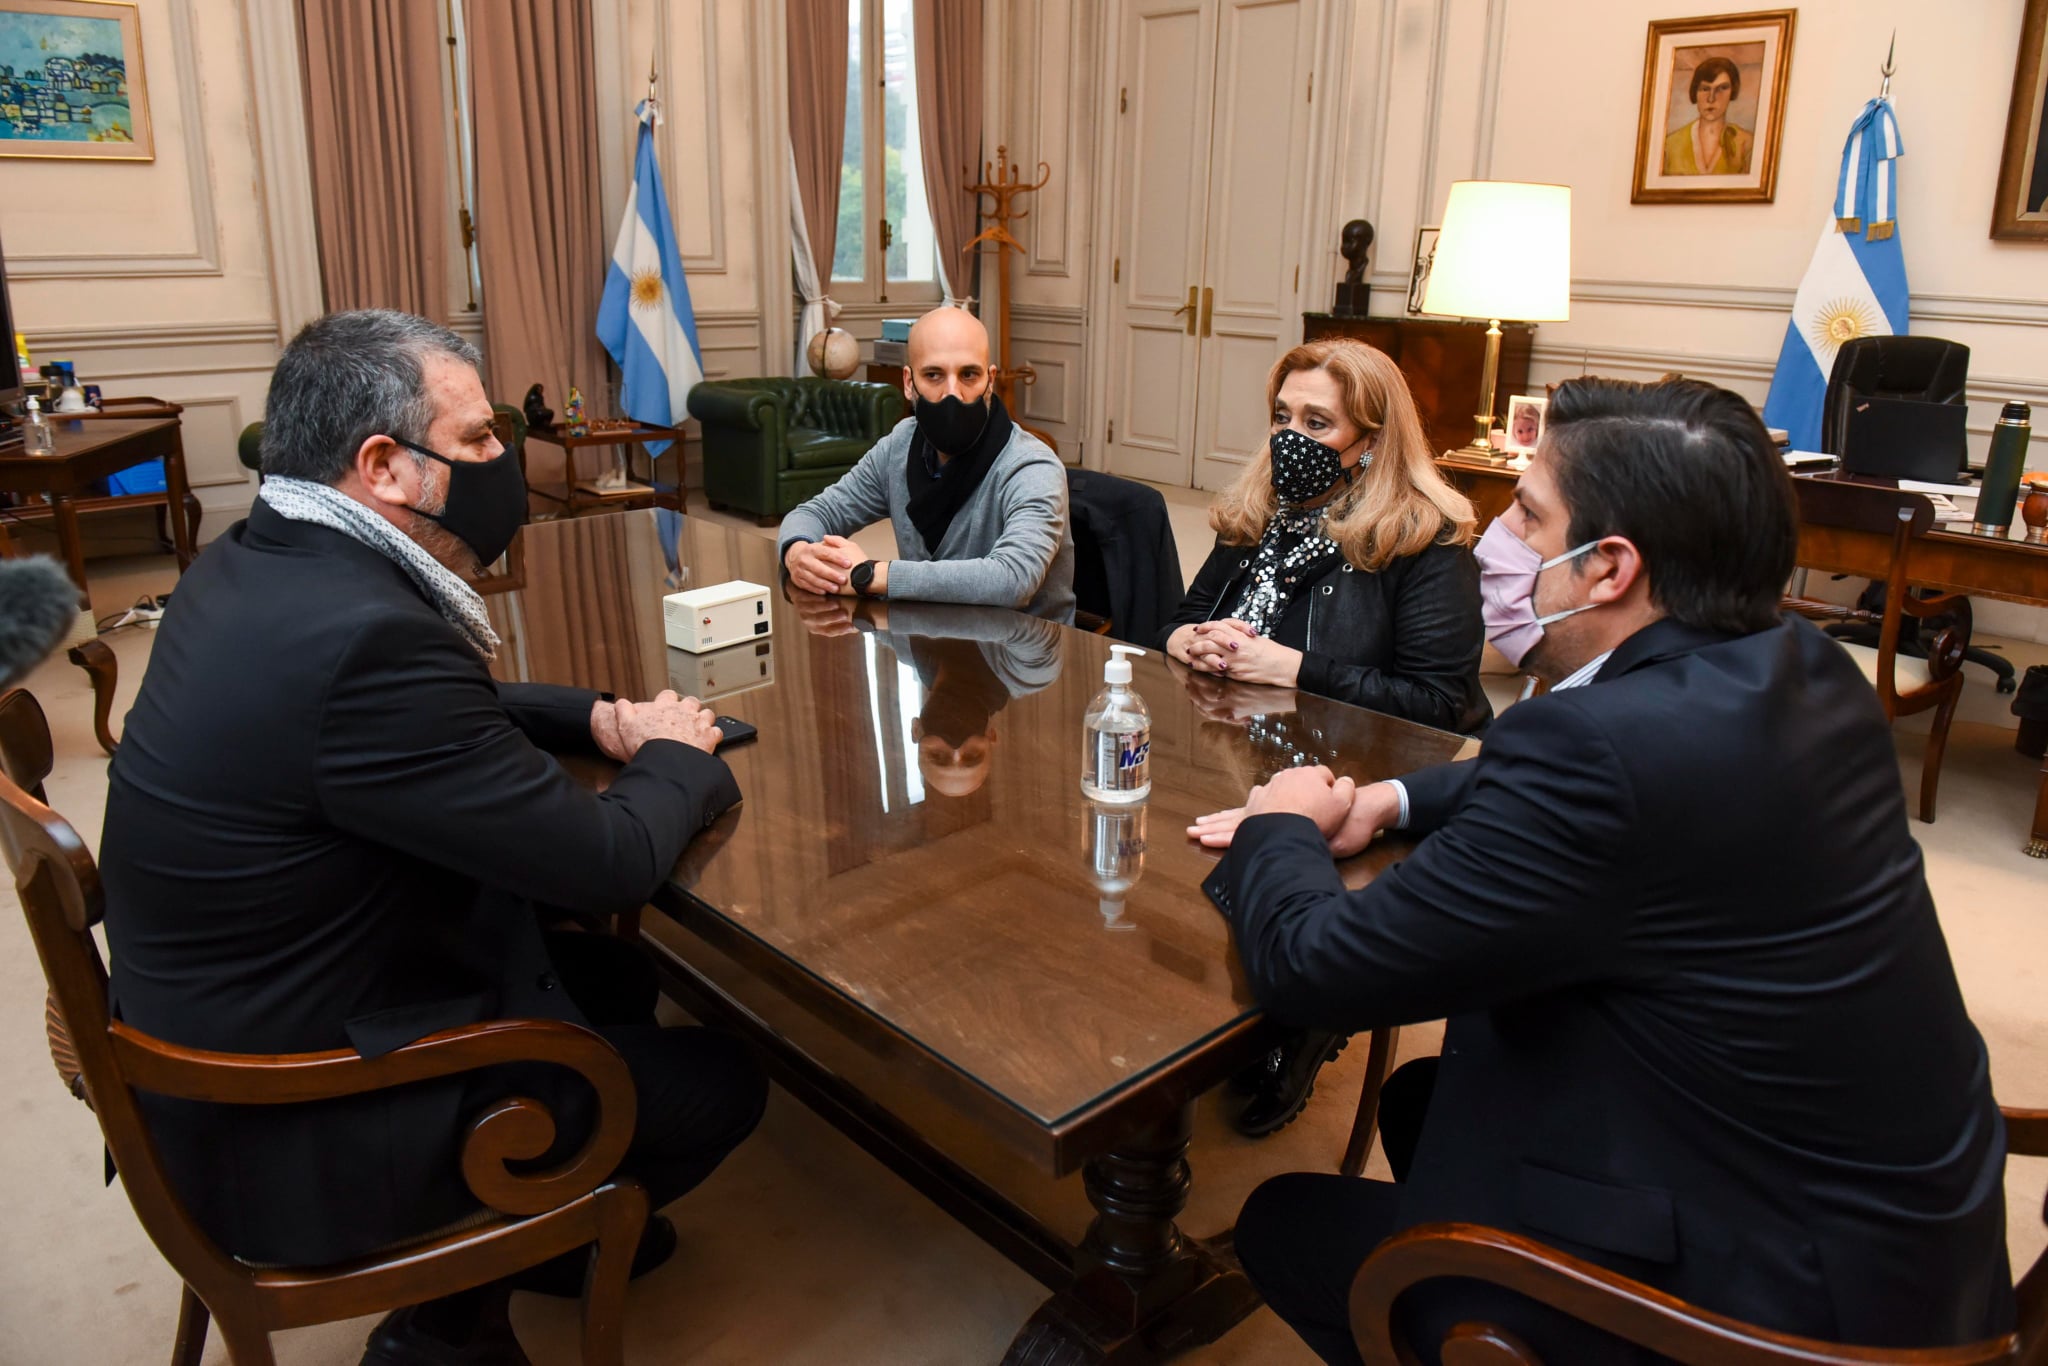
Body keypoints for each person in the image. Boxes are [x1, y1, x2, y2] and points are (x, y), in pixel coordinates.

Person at [1189, 378, 2013, 1364]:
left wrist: (1280, 821)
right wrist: (1393, 799)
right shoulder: (1798, 663)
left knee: (1284, 1221)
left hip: (1776, 1314)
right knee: (1428, 1101)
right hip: (1900, 1242)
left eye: (1528, 515)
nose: (1498, 535)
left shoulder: (1597, 753)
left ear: (1608, 568)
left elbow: (1312, 970)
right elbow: (1572, 766)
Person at [98, 310, 767, 1366]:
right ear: (385, 467)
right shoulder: (365, 640)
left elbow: (401, 715)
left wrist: (588, 716)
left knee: (603, 976)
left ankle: (532, 1242)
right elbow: (610, 861)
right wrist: (677, 751)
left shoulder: (261, 560)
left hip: (211, 1036)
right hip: (287, 1120)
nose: (505, 457)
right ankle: (443, 1324)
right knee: (724, 1077)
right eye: (479, 440)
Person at [1159, 339, 1488, 1136]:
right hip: (1233, 744)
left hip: (1355, 774)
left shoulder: (1425, 538)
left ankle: (1307, 1020)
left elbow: (1439, 707)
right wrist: (1185, 641)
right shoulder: (1257, 511)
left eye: (1317, 421)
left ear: (1371, 439)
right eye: (1282, 417)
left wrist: (1296, 668)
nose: (1290, 439)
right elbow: (1178, 616)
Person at [779, 306, 1076, 622]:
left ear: (990, 381)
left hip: (1021, 658)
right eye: (933, 375)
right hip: (930, 651)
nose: (953, 394)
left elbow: (1013, 579)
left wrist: (868, 575)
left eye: (968, 375)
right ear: (908, 382)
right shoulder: (900, 446)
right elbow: (816, 512)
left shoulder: (1033, 466)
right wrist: (797, 553)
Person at [1662, 54, 1754, 176]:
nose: (1711, 98)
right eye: (1705, 89)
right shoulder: (1670, 144)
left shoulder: (1746, 143)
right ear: (1695, 93)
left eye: (1722, 88)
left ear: (1733, 92)